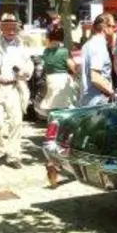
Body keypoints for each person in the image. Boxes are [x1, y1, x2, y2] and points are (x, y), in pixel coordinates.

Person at [0, 13, 34, 168]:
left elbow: (29, 64)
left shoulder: (22, 45)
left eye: (14, 27)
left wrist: (26, 72)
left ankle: (13, 156)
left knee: (16, 122)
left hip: (14, 88)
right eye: (8, 27)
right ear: (2, 28)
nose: (11, 31)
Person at [40, 25, 78, 187]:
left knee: (53, 126)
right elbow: (73, 67)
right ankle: (62, 161)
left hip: (51, 86)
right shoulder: (63, 52)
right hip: (63, 86)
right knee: (67, 127)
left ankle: (52, 162)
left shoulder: (46, 52)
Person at [80, 14, 117, 106]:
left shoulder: (88, 44)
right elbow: (95, 78)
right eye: (113, 26)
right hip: (98, 100)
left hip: (89, 99)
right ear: (104, 27)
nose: (114, 29)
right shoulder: (98, 45)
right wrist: (112, 92)